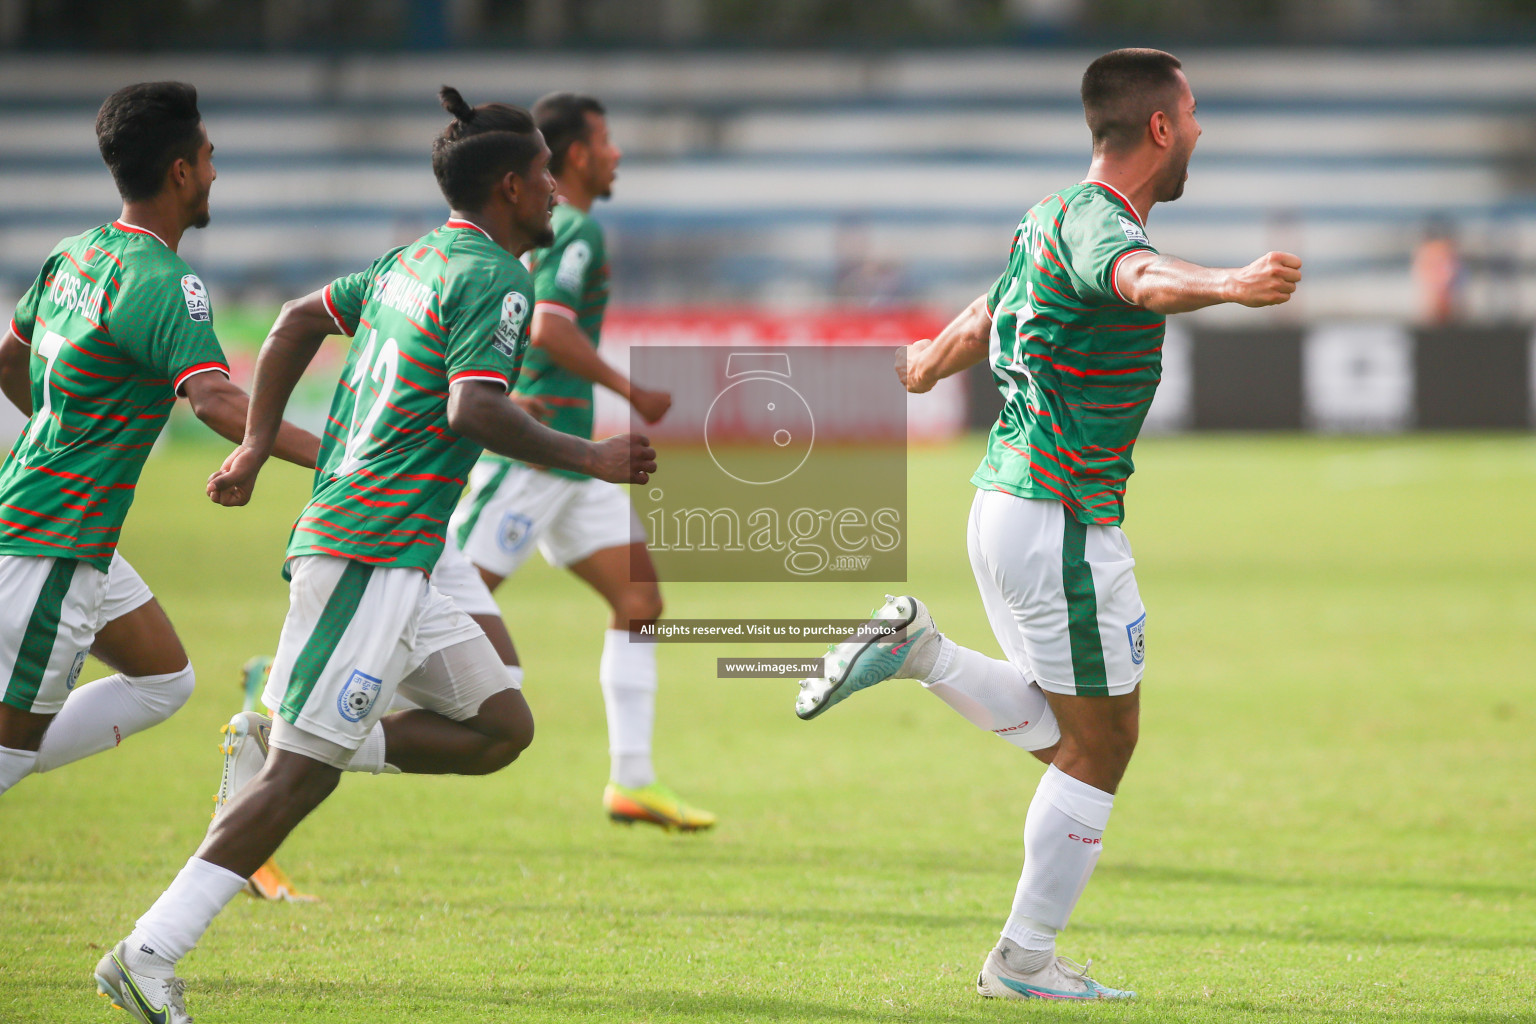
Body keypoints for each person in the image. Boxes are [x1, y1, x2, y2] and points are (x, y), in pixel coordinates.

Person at [94, 87, 657, 1024]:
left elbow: (292, 321)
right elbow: (470, 410)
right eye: (546, 179)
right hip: (369, 545)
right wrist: (591, 455)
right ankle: (147, 951)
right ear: (512, 186)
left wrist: (254, 440)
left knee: (501, 729)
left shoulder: (412, 259)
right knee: (303, 778)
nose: (557, 193)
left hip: (410, 550)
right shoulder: (498, 278)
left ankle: (292, 733)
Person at [795, 48, 1302, 1001]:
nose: (1198, 131)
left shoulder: (1050, 216)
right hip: (1060, 513)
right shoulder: (1105, 228)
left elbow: (995, 307)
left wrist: (931, 360)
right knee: (1101, 744)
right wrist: (1233, 283)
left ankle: (919, 654)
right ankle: (1023, 960)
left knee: (1083, 732)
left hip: (1011, 505)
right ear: (1159, 128)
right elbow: (1141, 280)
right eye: (1191, 116)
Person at [0, 81, 318, 800]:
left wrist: (69, 432)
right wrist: (334, 462)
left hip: (51, 524)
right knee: (9, 758)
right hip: (50, 546)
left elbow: (9, 362)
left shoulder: (74, 253)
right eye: (208, 158)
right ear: (180, 171)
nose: (213, 173)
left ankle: (22, 731)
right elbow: (214, 399)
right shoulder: (166, 281)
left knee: (164, 680)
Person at [447, 91, 714, 831]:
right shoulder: (578, 232)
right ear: (572, 155)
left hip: (577, 466)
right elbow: (548, 326)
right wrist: (634, 391)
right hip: (537, 459)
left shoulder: (558, 226)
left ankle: (632, 780)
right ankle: (278, 689)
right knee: (435, 594)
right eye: (605, 140)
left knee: (640, 602)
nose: (616, 152)